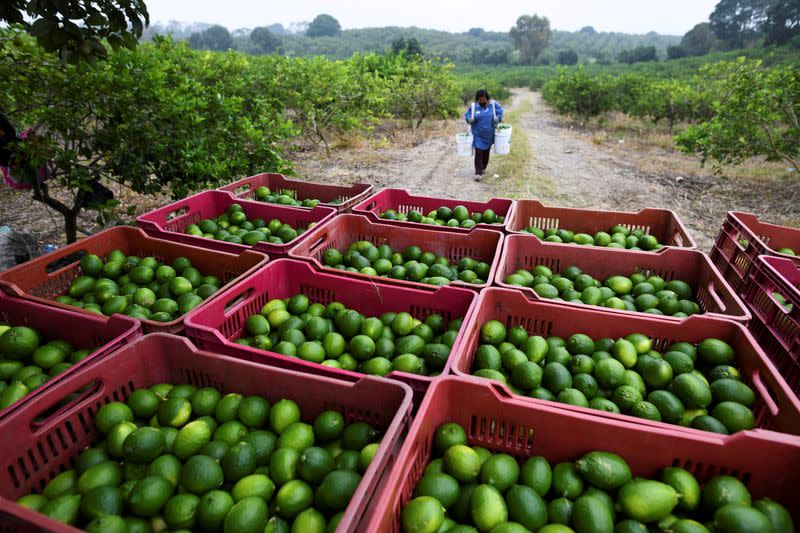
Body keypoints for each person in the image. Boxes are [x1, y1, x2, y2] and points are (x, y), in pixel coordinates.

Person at [465, 89, 503, 181]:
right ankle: (478, 173)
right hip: (477, 134)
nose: (482, 102)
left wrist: (498, 118)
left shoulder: (493, 104)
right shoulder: (474, 106)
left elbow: (500, 111)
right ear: (477, 99)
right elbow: (467, 115)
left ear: (487, 98)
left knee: (486, 152)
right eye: (480, 100)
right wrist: (469, 119)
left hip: (489, 134)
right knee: (478, 152)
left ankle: (483, 167)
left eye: (484, 100)